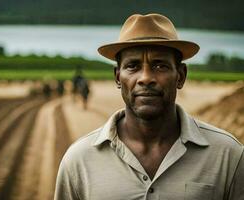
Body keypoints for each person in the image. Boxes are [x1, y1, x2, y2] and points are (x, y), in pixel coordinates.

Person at [54, 13, 244, 200]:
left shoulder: (228, 156)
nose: (145, 78)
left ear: (181, 76)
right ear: (117, 77)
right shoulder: (78, 160)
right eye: (133, 66)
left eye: (160, 66)